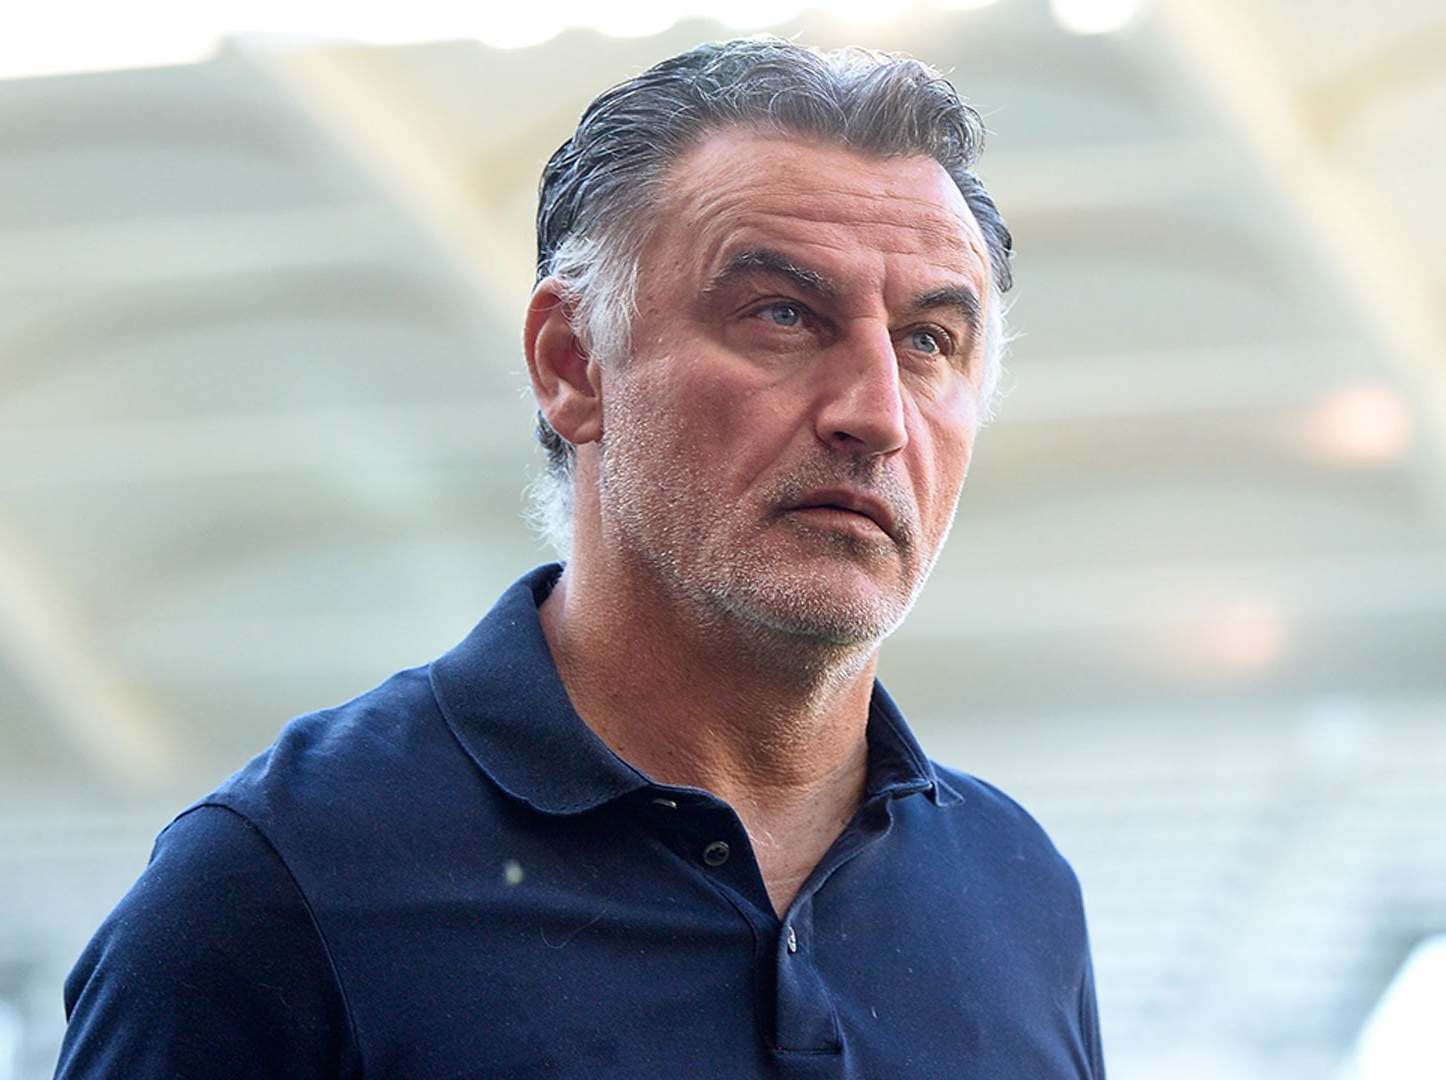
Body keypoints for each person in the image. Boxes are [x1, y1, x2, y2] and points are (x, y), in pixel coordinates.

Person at [56, 37, 1102, 1079]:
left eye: (928, 342)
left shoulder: (1021, 895)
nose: (876, 414)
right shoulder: (278, 887)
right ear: (572, 363)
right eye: (783, 316)